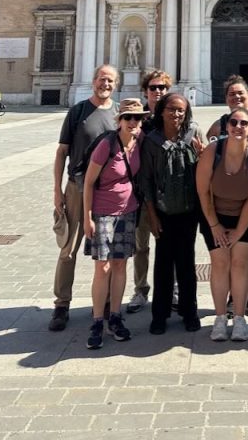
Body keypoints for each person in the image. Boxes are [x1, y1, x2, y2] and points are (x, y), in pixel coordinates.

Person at [48, 65, 119, 331]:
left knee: (108, 251)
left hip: (107, 191)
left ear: (116, 84)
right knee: (69, 248)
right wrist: (57, 190)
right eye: (102, 79)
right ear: (93, 82)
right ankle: (61, 304)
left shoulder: (118, 113)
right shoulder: (77, 112)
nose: (106, 84)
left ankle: (105, 302)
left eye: (110, 80)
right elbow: (61, 152)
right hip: (77, 188)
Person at [197, 105, 248, 342]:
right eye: (234, 123)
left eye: (243, 123)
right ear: (226, 126)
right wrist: (215, 225)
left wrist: (239, 231)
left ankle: (239, 318)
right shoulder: (212, 152)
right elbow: (203, 192)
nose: (238, 127)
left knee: (239, 263)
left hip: (245, 216)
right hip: (213, 214)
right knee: (219, 263)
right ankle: (219, 318)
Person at [82, 98, 149, 349]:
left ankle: (115, 316)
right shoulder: (106, 145)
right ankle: (98, 320)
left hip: (128, 212)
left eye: (138, 118)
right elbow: (89, 182)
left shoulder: (139, 142)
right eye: (128, 117)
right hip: (102, 212)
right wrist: (86, 217)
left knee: (120, 265)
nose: (133, 122)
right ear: (119, 119)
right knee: (103, 267)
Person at [138, 91, 205, 335]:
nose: (176, 114)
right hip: (163, 211)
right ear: (161, 111)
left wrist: (202, 156)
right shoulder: (152, 141)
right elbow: (145, 181)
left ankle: (190, 312)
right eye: (171, 109)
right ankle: (160, 314)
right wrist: (152, 216)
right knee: (163, 264)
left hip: (188, 210)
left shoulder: (193, 135)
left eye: (181, 110)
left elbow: (204, 170)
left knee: (187, 262)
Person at [206, 74, 248, 318]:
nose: (236, 98)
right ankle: (230, 300)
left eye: (240, 94)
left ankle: (246, 295)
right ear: (226, 100)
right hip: (226, 200)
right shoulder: (218, 126)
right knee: (227, 250)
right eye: (231, 95)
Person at [127, 68, 172, 313]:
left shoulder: (174, 115)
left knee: (168, 244)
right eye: (153, 88)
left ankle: (171, 289)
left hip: (167, 193)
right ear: (146, 91)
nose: (157, 92)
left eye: (162, 88)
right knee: (140, 245)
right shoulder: (137, 117)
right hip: (141, 193)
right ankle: (140, 289)